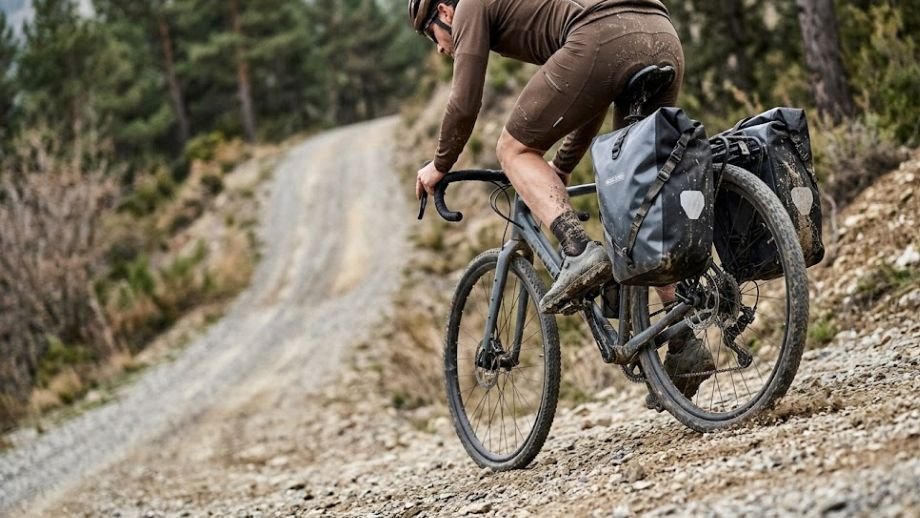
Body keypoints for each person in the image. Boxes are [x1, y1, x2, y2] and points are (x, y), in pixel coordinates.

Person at [409, 0, 714, 404]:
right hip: (659, 31)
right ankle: (683, 341)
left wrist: (439, 164)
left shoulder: (468, 8)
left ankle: (576, 247)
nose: (440, 49)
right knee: (635, 196)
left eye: (432, 36)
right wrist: (564, 166)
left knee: (513, 149)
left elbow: (464, 103)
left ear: (443, 12)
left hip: (602, 35)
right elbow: (592, 93)